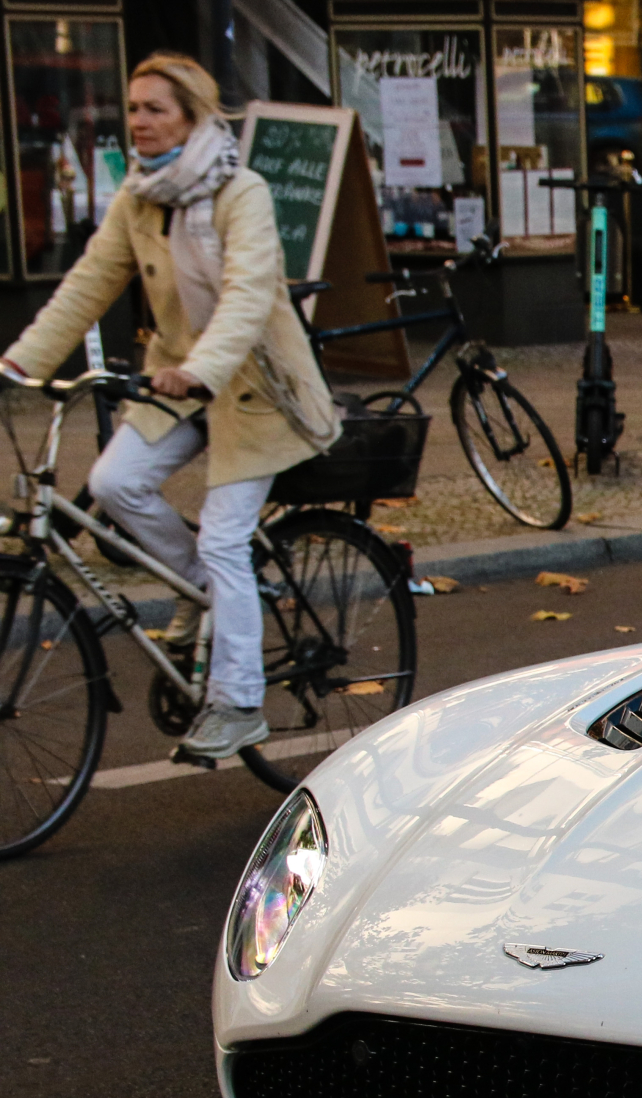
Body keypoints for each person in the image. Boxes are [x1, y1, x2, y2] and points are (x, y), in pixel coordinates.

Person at [0, 53, 337, 762]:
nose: (139, 122)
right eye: (133, 109)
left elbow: (248, 297)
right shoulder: (140, 196)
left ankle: (238, 701)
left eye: (155, 108)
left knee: (223, 537)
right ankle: (198, 590)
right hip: (176, 383)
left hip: (256, 388)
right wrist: (19, 360)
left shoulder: (239, 191)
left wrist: (199, 369)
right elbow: (87, 283)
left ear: (193, 116)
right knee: (115, 483)